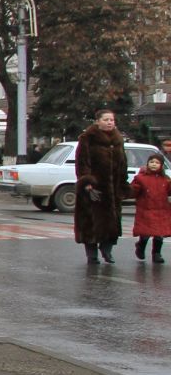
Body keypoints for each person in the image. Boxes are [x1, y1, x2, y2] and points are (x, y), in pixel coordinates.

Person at [75, 108, 127, 265]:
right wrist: (87, 183)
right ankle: (92, 255)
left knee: (112, 223)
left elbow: (123, 163)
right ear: (97, 121)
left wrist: (123, 184)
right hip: (94, 188)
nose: (110, 122)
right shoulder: (87, 139)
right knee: (91, 223)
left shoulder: (118, 140)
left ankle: (107, 250)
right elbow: (82, 163)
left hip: (114, 190)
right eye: (106, 119)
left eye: (112, 120)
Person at [130, 154, 170, 262]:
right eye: (152, 162)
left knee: (159, 234)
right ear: (147, 163)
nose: (154, 164)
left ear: (161, 166)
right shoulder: (140, 178)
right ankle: (140, 247)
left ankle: (156, 254)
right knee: (145, 233)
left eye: (157, 163)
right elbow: (133, 191)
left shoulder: (165, 179)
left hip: (161, 210)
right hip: (146, 210)